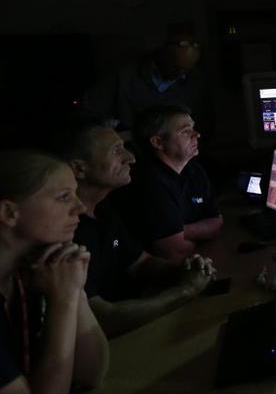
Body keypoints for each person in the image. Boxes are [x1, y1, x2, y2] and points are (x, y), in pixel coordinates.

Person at [57, 119, 216, 337]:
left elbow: (140, 263)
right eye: (116, 151)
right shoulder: (64, 231)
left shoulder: (103, 209)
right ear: (78, 168)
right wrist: (185, 292)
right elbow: (102, 319)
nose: (130, 158)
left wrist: (185, 271)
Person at [0, 150, 109, 394]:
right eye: (63, 197)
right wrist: (64, 302)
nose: (80, 207)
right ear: (9, 213)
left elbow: (91, 373)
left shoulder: (31, 271)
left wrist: (74, 290)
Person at [121, 105, 222, 263]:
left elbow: (217, 222)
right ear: (158, 142)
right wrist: (197, 234)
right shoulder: (150, 182)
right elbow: (174, 250)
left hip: (199, 257)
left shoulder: (194, 170)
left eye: (193, 128)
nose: (197, 134)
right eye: (185, 131)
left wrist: (181, 231)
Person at [81, 22, 209, 132]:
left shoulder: (194, 84)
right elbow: (89, 110)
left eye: (185, 70)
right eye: (175, 67)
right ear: (163, 56)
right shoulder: (125, 76)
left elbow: (204, 125)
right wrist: (104, 124)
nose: (179, 74)